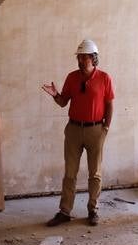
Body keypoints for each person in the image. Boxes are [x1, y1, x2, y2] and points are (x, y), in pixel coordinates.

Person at [42, 38, 114, 228]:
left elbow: (109, 104)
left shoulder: (104, 78)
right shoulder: (72, 77)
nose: (81, 61)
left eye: (84, 57)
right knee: (70, 173)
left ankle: (93, 210)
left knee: (95, 173)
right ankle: (65, 211)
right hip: (73, 129)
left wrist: (106, 128)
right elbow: (63, 102)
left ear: (93, 58)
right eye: (79, 57)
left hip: (96, 130)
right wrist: (55, 95)